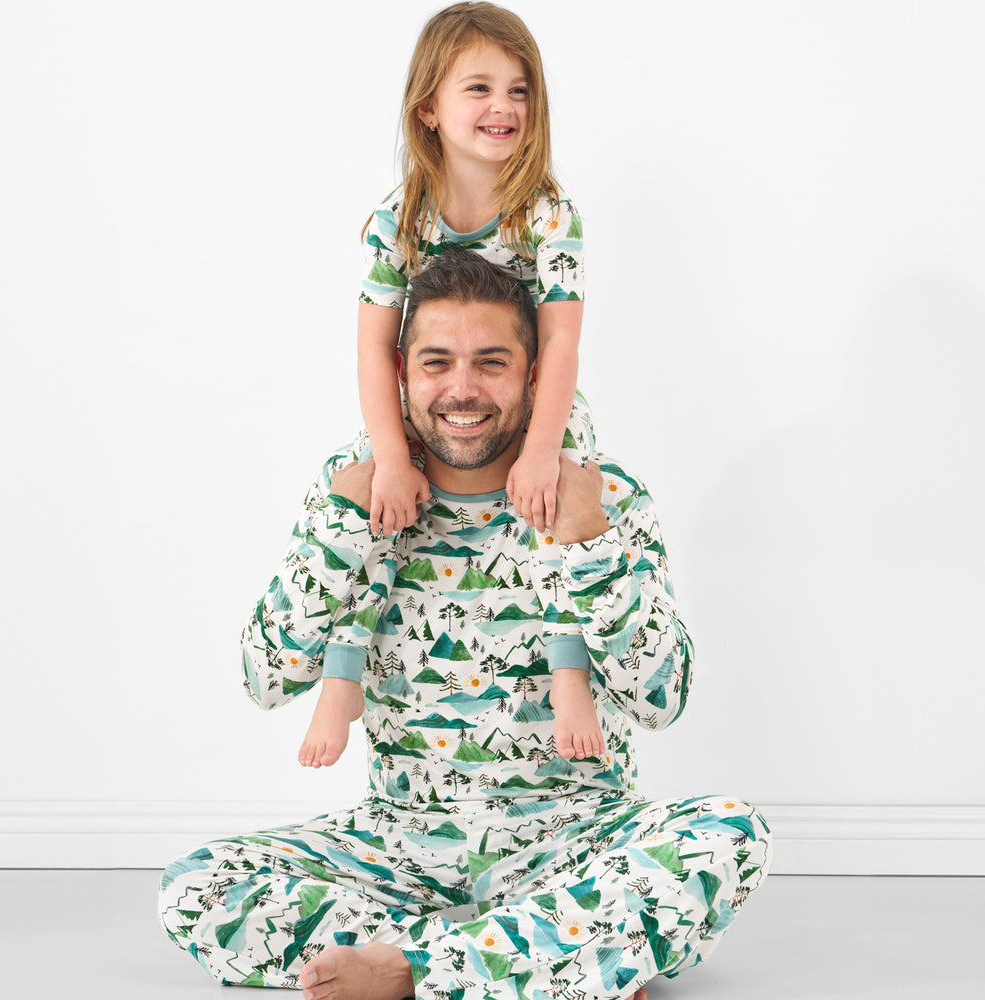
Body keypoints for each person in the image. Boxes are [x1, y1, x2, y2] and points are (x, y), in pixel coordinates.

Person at [158, 249, 773, 1000]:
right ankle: (551, 960)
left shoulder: (605, 493)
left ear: (534, 376)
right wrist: (340, 529)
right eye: (437, 362)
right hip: (398, 849)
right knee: (197, 886)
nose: (461, 389)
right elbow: (264, 680)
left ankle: (409, 971)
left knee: (729, 835)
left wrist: (590, 541)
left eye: (490, 362)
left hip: (574, 840)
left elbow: (659, 701)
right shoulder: (349, 488)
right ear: (401, 376)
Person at [301, 1, 600, 776]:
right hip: (428, 408)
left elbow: (561, 337)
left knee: (560, 510)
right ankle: (342, 673)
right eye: (479, 88)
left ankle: (571, 673)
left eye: (519, 89)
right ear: (428, 108)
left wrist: (541, 449)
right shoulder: (397, 220)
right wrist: (394, 454)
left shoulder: (546, 211)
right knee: (377, 512)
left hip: (529, 406)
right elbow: (375, 347)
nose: (503, 107)